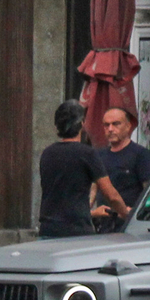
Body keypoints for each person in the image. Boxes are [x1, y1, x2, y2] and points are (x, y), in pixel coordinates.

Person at [38, 101, 127, 238]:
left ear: (57, 126)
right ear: (82, 124)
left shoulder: (47, 153)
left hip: (48, 230)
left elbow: (59, 197)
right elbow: (111, 195)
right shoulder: (87, 154)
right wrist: (127, 215)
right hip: (76, 231)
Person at [93, 106, 150, 231]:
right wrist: (90, 213)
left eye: (116, 124)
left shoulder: (141, 155)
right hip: (103, 228)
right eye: (106, 125)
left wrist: (138, 213)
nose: (110, 129)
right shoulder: (98, 156)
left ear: (128, 126)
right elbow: (92, 190)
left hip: (129, 227)